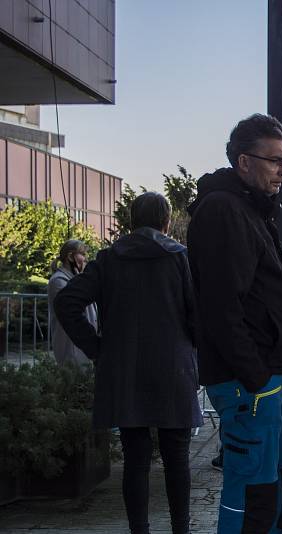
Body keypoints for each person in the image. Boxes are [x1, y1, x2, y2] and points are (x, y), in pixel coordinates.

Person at [55, 192, 202, 534]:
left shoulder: (108, 260)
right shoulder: (180, 258)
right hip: (173, 368)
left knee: (135, 459)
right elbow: (198, 314)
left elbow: (68, 303)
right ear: (166, 221)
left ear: (131, 222)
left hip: (124, 370)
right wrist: (191, 346)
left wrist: (97, 348)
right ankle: (181, 529)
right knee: (176, 458)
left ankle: (140, 530)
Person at [187, 113, 282, 534]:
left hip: (267, 381)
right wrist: (256, 377)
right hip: (250, 385)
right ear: (244, 161)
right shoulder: (223, 210)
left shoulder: (250, 210)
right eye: (275, 160)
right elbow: (222, 307)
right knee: (250, 499)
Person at [210, 248, 282, 471]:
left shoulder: (277, 253)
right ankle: (234, 455)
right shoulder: (224, 255)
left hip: (269, 362)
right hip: (242, 363)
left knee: (278, 431)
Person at [47, 239, 97, 367]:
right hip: (70, 346)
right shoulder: (58, 281)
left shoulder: (77, 280)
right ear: (70, 256)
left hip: (83, 345)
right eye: (83, 254)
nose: (86, 259)